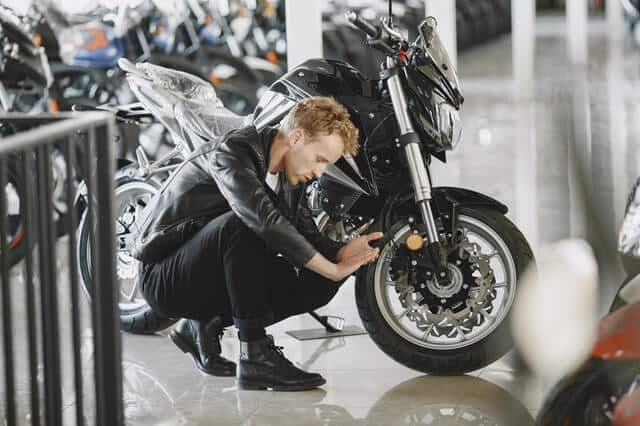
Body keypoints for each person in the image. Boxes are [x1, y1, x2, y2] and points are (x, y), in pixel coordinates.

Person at [133, 96, 383, 391]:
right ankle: (255, 354)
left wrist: (342, 253)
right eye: (320, 160)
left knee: (319, 280)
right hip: (163, 276)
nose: (319, 173)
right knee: (245, 224)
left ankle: (202, 324)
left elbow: (306, 234)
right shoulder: (231, 152)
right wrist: (331, 267)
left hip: (209, 273)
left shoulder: (290, 179)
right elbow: (261, 220)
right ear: (297, 136)